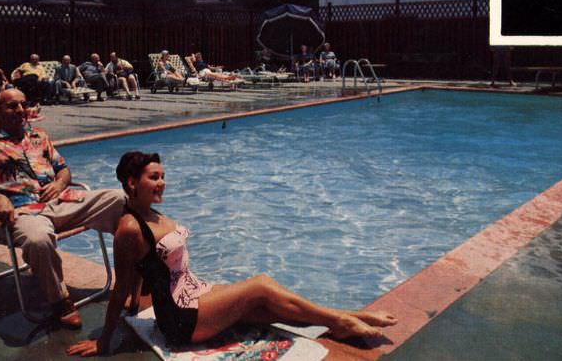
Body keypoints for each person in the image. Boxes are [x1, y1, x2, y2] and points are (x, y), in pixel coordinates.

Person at [66, 152, 397, 356]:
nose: (162, 183)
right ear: (131, 182)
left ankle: (342, 315)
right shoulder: (130, 228)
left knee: (265, 304)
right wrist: (105, 339)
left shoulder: (153, 214)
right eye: (154, 177)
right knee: (260, 286)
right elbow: (123, 287)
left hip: (196, 295)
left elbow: (145, 275)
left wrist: (137, 303)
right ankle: (339, 320)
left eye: (163, 176)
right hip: (181, 319)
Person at [0, 88, 128, 328]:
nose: (20, 110)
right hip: (20, 212)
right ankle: (60, 302)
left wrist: (59, 183)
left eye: (23, 104)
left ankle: (133, 281)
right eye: (12, 106)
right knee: (38, 239)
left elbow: (63, 169)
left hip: (60, 203)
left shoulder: (39, 135)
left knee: (121, 199)